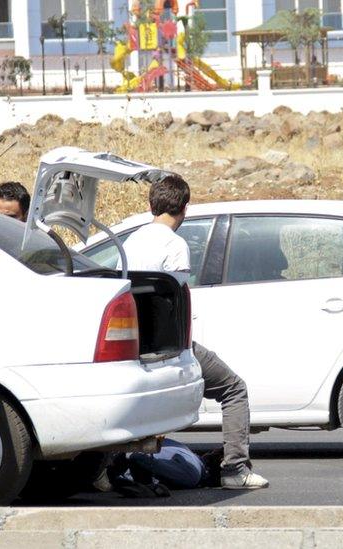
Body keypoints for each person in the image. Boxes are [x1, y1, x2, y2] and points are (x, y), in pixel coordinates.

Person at [119, 174, 268, 490]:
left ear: (150, 206)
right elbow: (174, 303)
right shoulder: (175, 245)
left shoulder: (131, 241)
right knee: (233, 389)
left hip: (134, 344)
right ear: (184, 208)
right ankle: (235, 469)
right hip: (167, 344)